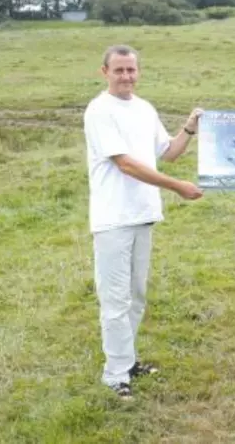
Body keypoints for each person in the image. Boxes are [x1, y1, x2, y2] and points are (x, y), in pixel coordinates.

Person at [83, 44, 203, 399]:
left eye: (131, 70)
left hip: (143, 215)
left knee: (136, 297)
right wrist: (177, 187)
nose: (126, 77)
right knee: (115, 300)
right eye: (118, 70)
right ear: (104, 72)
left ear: (139, 71)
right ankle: (114, 375)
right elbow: (126, 164)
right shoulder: (99, 110)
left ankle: (127, 361)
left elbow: (168, 152)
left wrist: (190, 128)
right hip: (113, 219)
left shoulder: (145, 109)